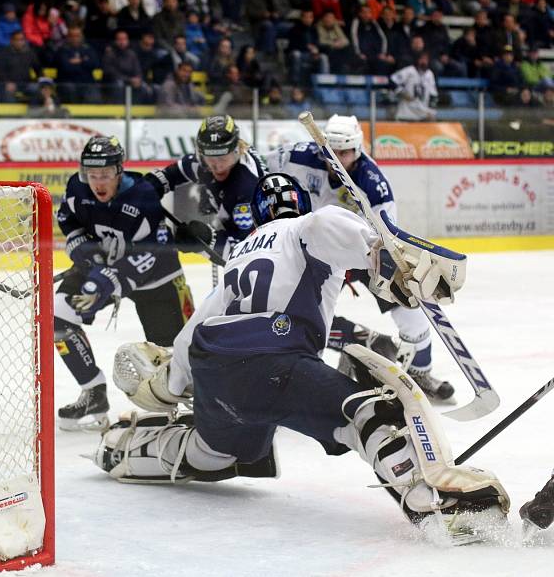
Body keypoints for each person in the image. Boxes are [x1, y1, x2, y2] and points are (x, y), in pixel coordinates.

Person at [95, 173, 508, 542]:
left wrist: (168, 387)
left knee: (216, 451)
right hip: (275, 359)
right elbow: (338, 230)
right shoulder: (306, 226)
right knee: (364, 415)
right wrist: (391, 259)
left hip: (213, 363)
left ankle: (131, 449)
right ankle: (435, 501)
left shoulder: (241, 251)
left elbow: (197, 325)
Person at [265, 114, 455, 402]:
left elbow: (388, 234)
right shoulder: (301, 155)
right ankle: (353, 341)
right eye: (333, 152)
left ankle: (420, 371)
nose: (337, 159)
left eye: (345, 152)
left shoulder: (373, 182)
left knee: (409, 306)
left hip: (363, 252)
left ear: (358, 149)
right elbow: (262, 164)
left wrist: (395, 261)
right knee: (304, 314)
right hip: (316, 252)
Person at [55, 136, 194, 431]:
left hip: (158, 276)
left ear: (119, 171)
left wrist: (113, 278)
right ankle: (93, 391)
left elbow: (153, 252)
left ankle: (202, 404)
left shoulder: (143, 196)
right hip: (102, 267)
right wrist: (85, 254)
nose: (98, 182)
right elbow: (68, 219)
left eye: (105, 174)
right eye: (92, 175)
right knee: (56, 317)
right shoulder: (77, 188)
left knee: (181, 349)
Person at [146, 114, 268, 260]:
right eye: (210, 157)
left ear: (236, 151)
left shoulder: (247, 186)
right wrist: (149, 185)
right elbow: (173, 173)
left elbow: (249, 252)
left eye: (223, 157)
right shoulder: (202, 164)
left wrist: (208, 239)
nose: (217, 166)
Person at [391, 51, 438, 121]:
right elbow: (392, 81)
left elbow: (433, 94)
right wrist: (401, 92)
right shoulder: (409, 71)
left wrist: (431, 110)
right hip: (406, 112)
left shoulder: (430, 74)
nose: (424, 62)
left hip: (422, 112)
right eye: (422, 59)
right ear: (417, 60)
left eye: (426, 59)